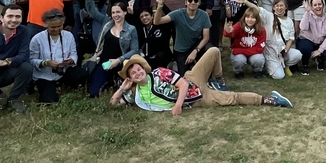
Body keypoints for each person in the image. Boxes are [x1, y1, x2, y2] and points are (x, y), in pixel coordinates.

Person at [109, 49, 293, 113]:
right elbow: (113, 104)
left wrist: (177, 106)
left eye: (139, 69)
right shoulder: (137, 94)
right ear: (131, 78)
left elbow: (182, 84)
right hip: (196, 99)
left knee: (213, 51)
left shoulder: (157, 73)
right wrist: (121, 90)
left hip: (190, 80)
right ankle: (270, 99)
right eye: (133, 73)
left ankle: (219, 80)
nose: (138, 73)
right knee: (231, 99)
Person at [84, 0, 139, 97]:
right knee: (93, 93)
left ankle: (114, 80)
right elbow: (93, 12)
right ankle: (108, 81)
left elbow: (135, 50)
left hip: (121, 63)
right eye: (113, 12)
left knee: (129, 91)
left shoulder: (131, 29)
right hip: (105, 62)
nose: (115, 15)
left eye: (118, 12)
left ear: (125, 12)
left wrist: (118, 60)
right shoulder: (106, 22)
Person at [153, 0, 215, 80]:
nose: (192, 3)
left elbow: (206, 37)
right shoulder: (178, 13)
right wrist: (160, 5)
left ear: (199, 3)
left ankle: (210, 78)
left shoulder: (204, 15)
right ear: (185, 2)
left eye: (195, 1)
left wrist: (195, 51)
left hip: (197, 46)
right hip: (181, 49)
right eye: (190, 0)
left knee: (210, 49)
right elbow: (157, 22)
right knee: (184, 77)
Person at [234, 0, 302, 80]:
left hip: (282, 50)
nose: (279, 8)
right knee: (279, 76)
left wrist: (286, 51)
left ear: (286, 7)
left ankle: (285, 66)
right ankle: (268, 65)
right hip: (270, 51)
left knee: (297, 54)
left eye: (281, 5)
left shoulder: (289, 21)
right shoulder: (269, 16)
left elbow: (291, 39)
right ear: (273, 7)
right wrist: (245, 1)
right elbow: (257, 9)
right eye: (277, 6)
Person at [29, 8, 87, 102]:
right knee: (49, 101)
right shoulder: (37, 39)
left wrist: (70, 60)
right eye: (52, 27)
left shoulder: (69, 36)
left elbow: (74, 54)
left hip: (64, 70)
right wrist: (46, 63)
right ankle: (39, 86)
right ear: (46, 25)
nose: (56, 29)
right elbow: (32, 60)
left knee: (82, 74)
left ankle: (65, 85)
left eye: (59, 26)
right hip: (45, 75)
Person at [295, 0, 326, 75]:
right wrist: (307, 12)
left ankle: (320, 59)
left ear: (323, 5)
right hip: (307, 40)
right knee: (305, 48)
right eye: (315, 5)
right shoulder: (308, 15)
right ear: (312, 7)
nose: (318, 7)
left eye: (319, 4)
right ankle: (305, 64)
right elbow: (303, 28)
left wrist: (320, 50)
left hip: (320, 42)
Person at [224, 8, 267, 79]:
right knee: (239, 59)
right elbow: (229, 34)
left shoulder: (262, 30)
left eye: (253, 18)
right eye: (247, 17)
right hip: (246, 53)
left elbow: (259, 49)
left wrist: (237, 51)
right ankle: (238, 72)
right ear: (244, 18)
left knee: (259, 58)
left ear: (257, 19)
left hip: (246, 52)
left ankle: (257, 71)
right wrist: (228, 32)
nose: (250, 20)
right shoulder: (238, 25)